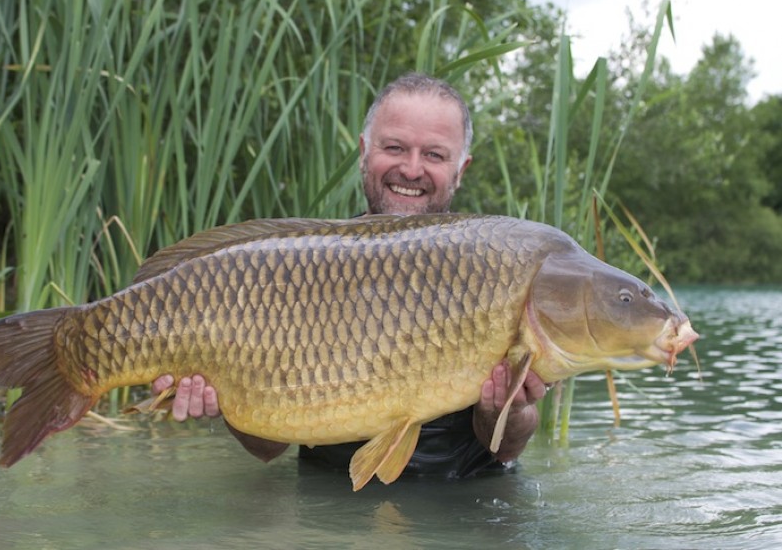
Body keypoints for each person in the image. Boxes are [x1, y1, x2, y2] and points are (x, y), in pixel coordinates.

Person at [152, 72, 548, 478]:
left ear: (460, 169)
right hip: (328, 506)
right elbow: (268, 448)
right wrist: (225, 399)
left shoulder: (503, 265)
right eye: (394, 147)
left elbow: (506, 450)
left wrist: (507, 410)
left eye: (433, 155)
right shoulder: (296, 268)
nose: (411, 169)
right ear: (364, 151)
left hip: (465, 499)